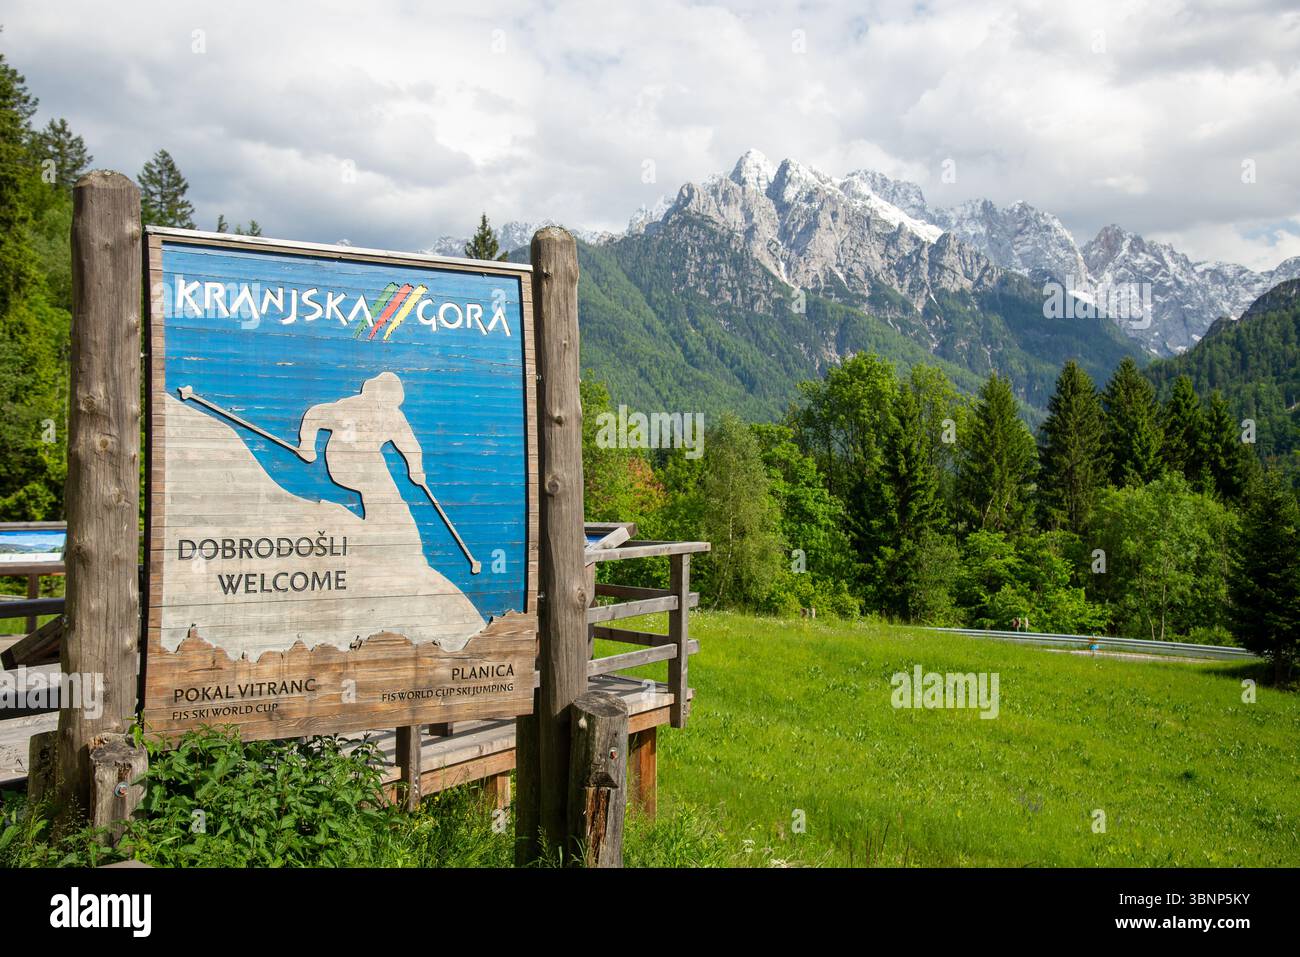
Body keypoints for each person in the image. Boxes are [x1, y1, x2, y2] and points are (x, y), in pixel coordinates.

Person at [295, 372, 425, 518]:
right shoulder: (350, 407)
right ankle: (383, 523)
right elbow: (315, 414)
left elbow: (410, 446)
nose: (383, 408)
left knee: (391, 499)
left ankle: (389, 524)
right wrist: (307, 445)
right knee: (381, 494)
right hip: (343, 460)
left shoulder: (394, 417)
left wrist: (416, 470)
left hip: (372, 461)